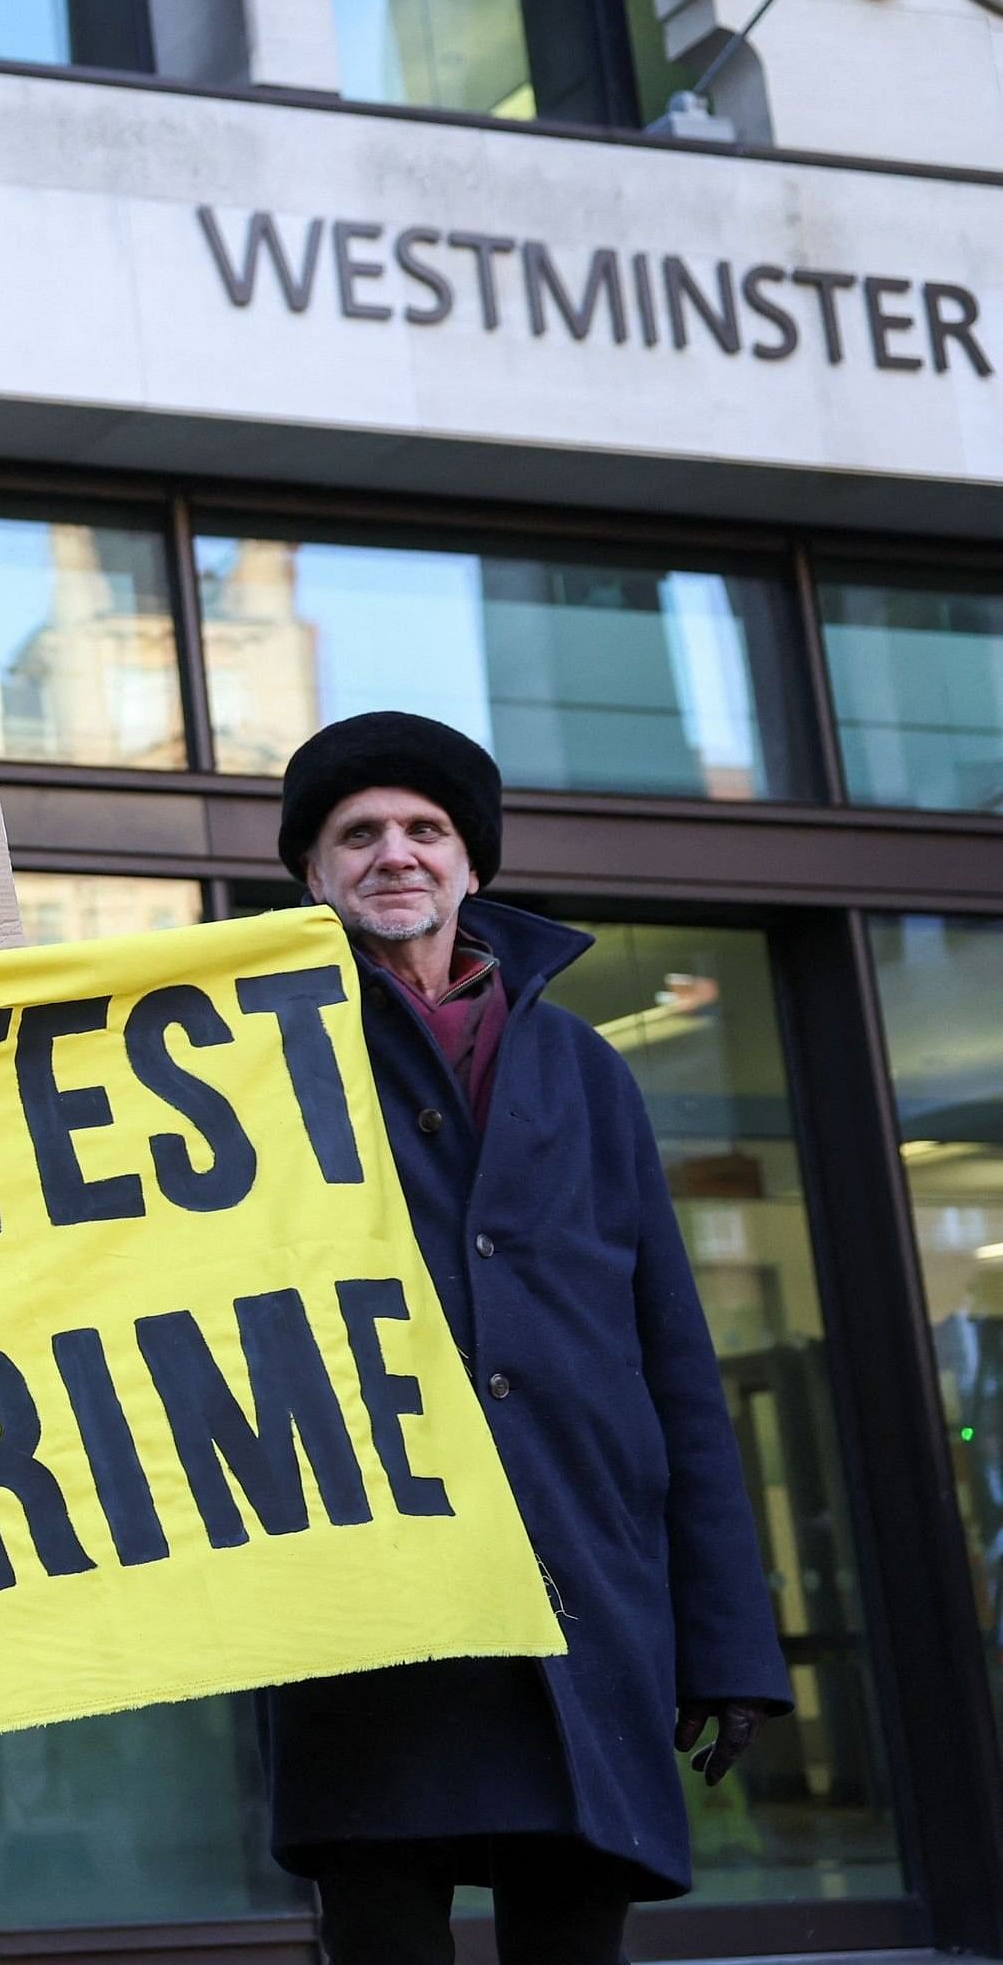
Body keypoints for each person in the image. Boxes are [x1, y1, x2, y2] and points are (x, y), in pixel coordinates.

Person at [257, 713, 789, 1965]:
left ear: (469, 864)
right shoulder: (252, 1057)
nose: (395, 852)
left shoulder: (586, 1070)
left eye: (424, 829)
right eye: (357, 833)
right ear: (311, 874)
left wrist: (723, 1639)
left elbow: (670, 1356)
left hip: (581, 1598)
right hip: (372, 1605)